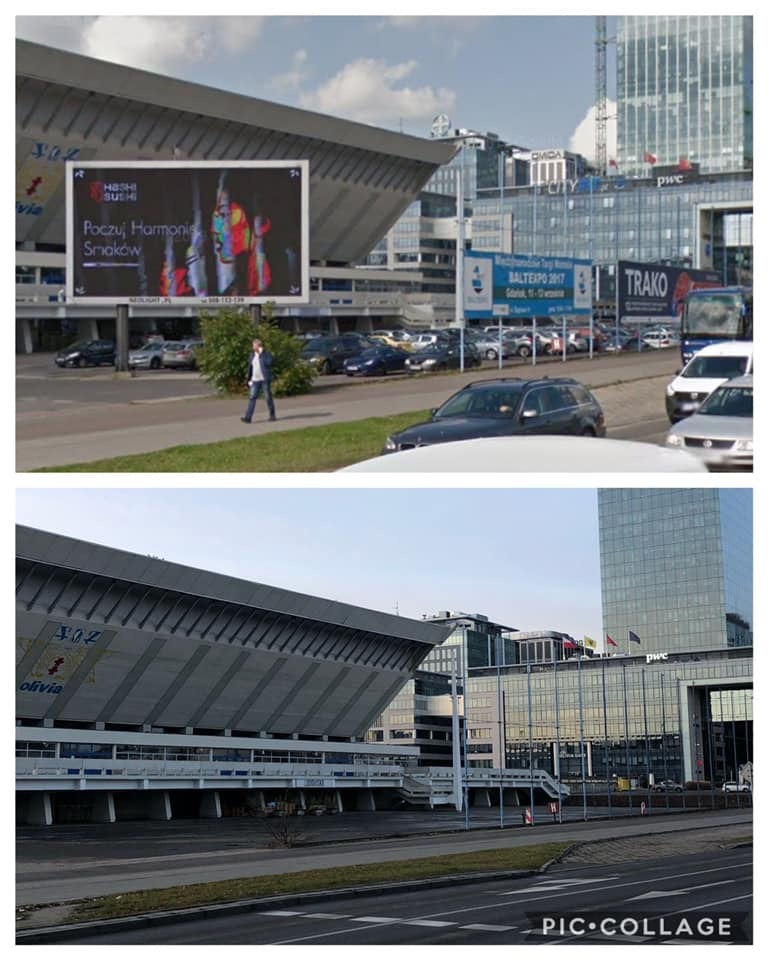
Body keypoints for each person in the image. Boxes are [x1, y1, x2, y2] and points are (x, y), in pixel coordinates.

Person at [241, 338, 276, 422]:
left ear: (259, 346)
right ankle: (248, 417)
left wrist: (261, 354)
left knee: (268, 397)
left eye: (254, 345)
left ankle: (272, 415)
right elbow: (250, 367)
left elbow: (269, 363)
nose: (253, 347)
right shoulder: (252, 355)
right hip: (255, 380)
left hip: (264, 379)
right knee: (252, 397)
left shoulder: (266, 354)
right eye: (253, 345)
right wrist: (248, 378)